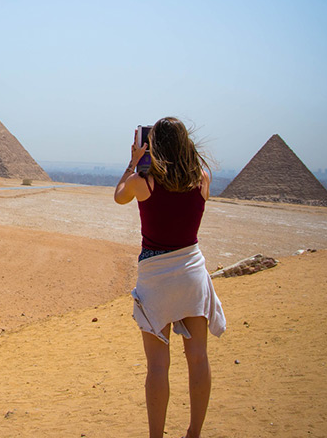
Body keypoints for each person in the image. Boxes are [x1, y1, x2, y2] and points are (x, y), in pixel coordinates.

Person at [113, 117, 226, 438]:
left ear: (154, 144)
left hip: (156, 276)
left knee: (158, 366)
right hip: (192, 272)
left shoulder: (142, 182)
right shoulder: (203, 178)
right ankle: (194, 433)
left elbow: (119, 196)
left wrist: (133, 164)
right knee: (198, 358)